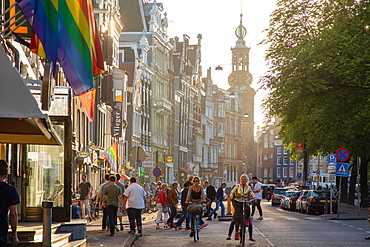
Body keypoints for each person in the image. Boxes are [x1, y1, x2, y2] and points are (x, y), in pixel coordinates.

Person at [230, 174, 256, 241]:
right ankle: (236, 233)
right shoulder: (237, 186)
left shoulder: (248, 187)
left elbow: (251, 193)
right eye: (242, 179)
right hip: (238, 202)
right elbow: (232, 192)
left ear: (247, 180)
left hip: (245, 201)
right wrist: (231, 197)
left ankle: (250, 236)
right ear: (240, 180)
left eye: (244, 179)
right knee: (237, 217)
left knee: (248, 209)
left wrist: (254, 197)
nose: (243, 181)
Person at [0, 160, 20, 247]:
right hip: (1, 227)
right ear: (6, 173)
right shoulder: (10, 190)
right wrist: (14, 235)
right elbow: (13, 214)